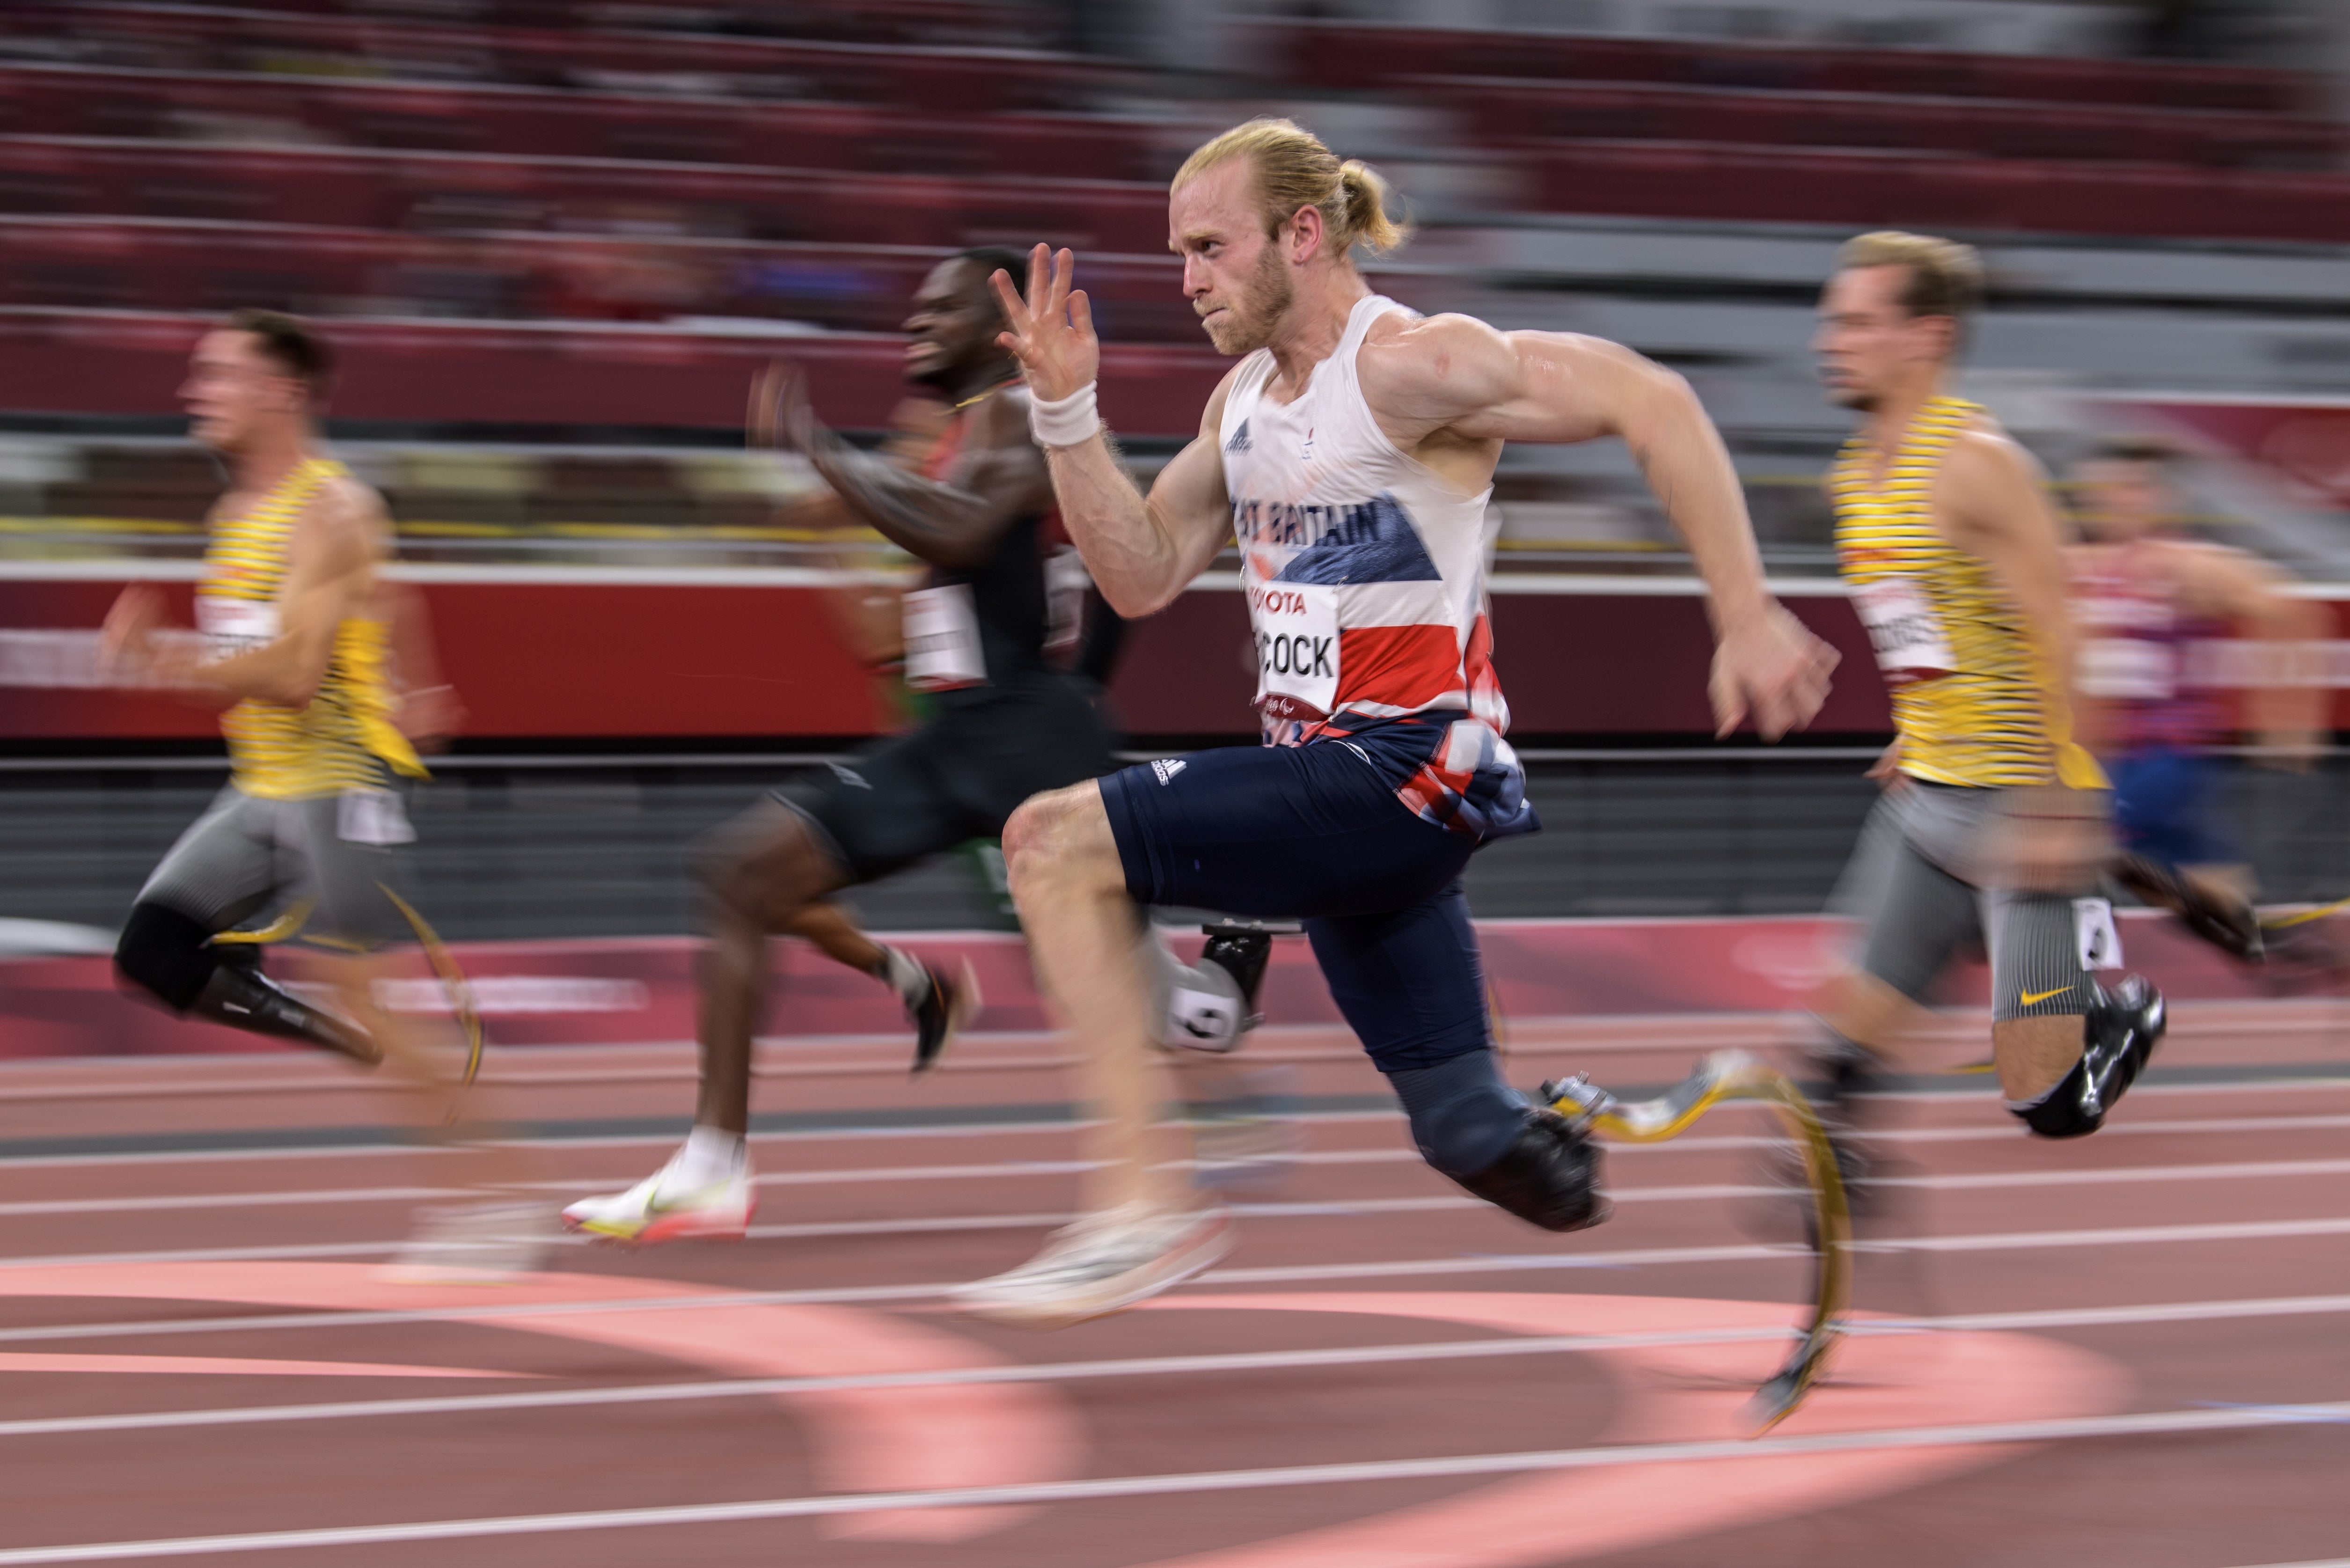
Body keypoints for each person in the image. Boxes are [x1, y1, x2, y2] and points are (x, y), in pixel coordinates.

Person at [952, 118, 1838, 1326]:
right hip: (1339, 803)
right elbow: (1141, 574)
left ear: (1301, 235)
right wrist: (1067, 417)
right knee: (1475, 1138)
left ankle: (1138, 1205)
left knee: (1049, 841)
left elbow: (1654, 398)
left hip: (1403, 767)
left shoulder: (1413, 364)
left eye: (1209, 247)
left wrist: (1743, 613)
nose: (1186, 280)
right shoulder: (1241, 405)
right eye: (1178, 254)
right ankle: (1575, 1121)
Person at [561, 248, 1127, 1243]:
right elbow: (942, 582)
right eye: (909, 307)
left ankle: (1223, 996)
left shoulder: (1022, 416)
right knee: (737, 872)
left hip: (1027, 750)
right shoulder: (964, 431)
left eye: (935, 309)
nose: (912, 323)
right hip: (953, 740)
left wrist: (821, 449)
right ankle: (710, 1165)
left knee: (1116, 987)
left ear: (993, 330)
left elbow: (954, 532)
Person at [99, 309, 527, 1274]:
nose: (192, 390)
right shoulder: (235, 516)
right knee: (156, 951)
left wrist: (161, 653)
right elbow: (391, 596)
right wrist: (419, 677)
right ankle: (357, 1039)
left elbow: (292, 673)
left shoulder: (333, 509)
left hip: (338, 781)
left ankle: (499, 1199)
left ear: (280, 391)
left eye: (216, 373)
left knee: (360, 980)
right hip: (260, 784)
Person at [1806, 232, 2168, 1179]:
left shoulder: (1976, 463)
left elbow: (2068, 635)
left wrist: (2065, 806)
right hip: (1928, 790)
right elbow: (1927, 624)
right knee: (1837, 1045)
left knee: (2045, 1103)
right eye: (1827, 319)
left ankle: (2117, 1011)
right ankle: (1838, 1188)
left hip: (2023, 797)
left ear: (1924, 336)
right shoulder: (1851, 475)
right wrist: (1909, 725)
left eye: (1854, 322)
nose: (1826, 340)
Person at [2069, 437, 2324, 957]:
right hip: (2105, 755)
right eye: (2102, 488)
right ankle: (2277, 947)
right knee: (2198, 876)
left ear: (2163, 496)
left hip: (2165, 755)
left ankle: (2078, 987)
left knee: (2079, 845)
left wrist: (2285, 721)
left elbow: (2295, 616)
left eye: (2130, 488)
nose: (2114, 500)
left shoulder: (2188, 565)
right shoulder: (2076, 565)